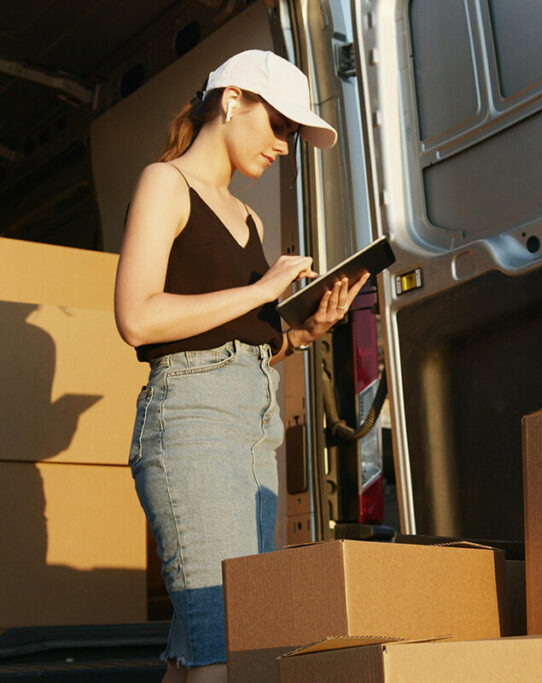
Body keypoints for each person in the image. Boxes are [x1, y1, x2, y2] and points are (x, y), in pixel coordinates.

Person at [113, 50, 368, 683]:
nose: (285, 146)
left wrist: (304, 330)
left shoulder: (250, 218)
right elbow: (137, 318)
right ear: (232, 100)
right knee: (226, 646)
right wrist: (263, 291)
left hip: (254, 429)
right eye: (280, 126)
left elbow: (242, 339)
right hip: (192, 421)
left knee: (209, 642)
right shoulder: (164, 183)